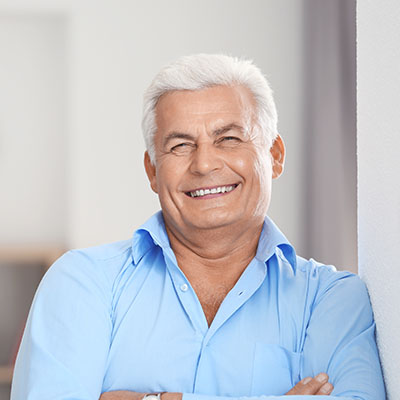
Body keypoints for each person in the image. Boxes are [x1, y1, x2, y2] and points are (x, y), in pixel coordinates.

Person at [11, 54, 385, 400]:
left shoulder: (334, 301)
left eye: (229, 139)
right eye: (180, 146)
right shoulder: (82, 283)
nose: (204, 164)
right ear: (152, 171)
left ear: (274, 156)